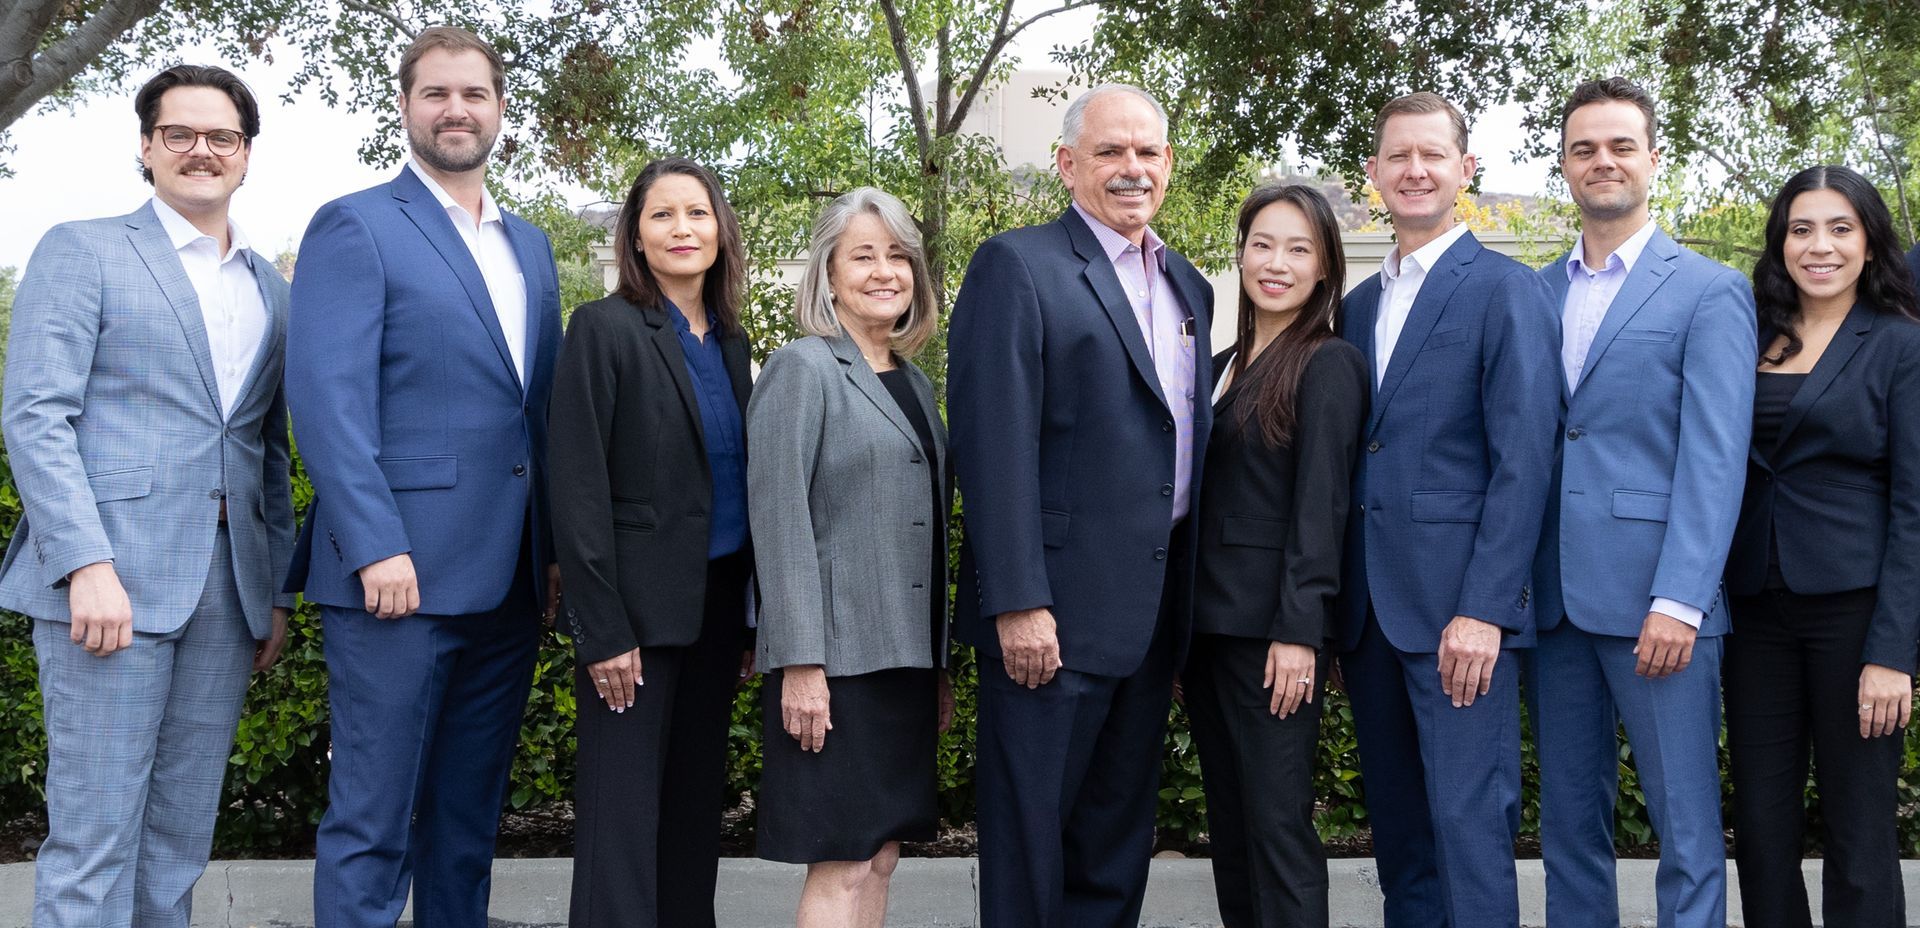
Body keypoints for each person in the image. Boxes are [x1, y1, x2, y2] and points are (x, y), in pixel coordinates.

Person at [0, 64, 293, 928]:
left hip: (226, 591)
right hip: (110, 585)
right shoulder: (83, 249)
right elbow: (37, 416)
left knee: (178, 841)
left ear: (246, 154)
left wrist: (272, 589)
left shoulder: (271, 289)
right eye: (180, 133)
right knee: (94, 841)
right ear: (146, 145)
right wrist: (85, 564)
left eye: (222, 137)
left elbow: (266, 450)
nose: (202, 150)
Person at [284, 26, 563, 928]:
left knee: (466, 824)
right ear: (405, 106)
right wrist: (376, 546)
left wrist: (551, 553)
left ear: (501, 110)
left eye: (474, 94)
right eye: (437, 93)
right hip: (394, 581)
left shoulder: (532, 247)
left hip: (508, 584)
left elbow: (541, 415)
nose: (456, 110)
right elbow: (328, 404)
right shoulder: (355, 223)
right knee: (372, 822)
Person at [948, 82, 1214, 928]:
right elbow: (991, 450)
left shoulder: (1190, 288)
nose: (1132, 168)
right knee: (1031, 849)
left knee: (1113, 850)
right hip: (1050, 622)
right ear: (1068, 164)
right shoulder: (1017, 266)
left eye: (1147, 152)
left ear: (1168, 163)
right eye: (1110, 151)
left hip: (1148, 621)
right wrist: (1019, 602)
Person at [1528, 77, 1756, 928]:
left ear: (1653, 159)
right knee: (1568, 827)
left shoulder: (1707, 289)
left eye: (1621, 144)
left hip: (1660, 604)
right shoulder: (1534, 291)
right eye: (1584, 147)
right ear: (1564, 164)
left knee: (1686, 827)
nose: (1603, 161)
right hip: (1554, 602)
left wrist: (1681, 598)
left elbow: (1715, 455)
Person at [1335, 91, 1560, 928]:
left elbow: (1524, 463)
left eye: (1433, 155)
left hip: (1460, 618)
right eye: (1398, 156)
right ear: (1373, 176)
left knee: (1469, 828)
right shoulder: (1356, 308)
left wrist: (1484, 611)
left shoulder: (1507, 291)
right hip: (1370, 618)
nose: (1415, 170)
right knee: (1401, 837)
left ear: (1466, 170)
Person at [547, 156, 754, 928]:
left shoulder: (731, 341)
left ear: (720, 229)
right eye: (662, 215)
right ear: (635, 234)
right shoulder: (602, 329)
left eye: (696, 213)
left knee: (694, 814)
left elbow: (735, 486)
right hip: (631, 623)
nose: (682, 229)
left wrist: (754, 621)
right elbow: (576, 487)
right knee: (620, 824)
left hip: (715, 614)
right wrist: (602, 631)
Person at [748, 186, 954, 928]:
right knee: (840, 861)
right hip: (835, 663)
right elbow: (778, 521)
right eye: (862, 255)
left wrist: (937, 667)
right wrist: (801, 663)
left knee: (881, 857)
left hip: (903, 662)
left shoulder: (917, 384)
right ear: (828, 274)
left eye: (898, 255)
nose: (884, 271)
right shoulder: (802, 369)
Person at [1724, 164, 1920, 928]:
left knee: (1860, 828)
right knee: (1763, 827)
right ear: (1780, 243)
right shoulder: (1748, 332)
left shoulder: (1902, 344)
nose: (1821, 246)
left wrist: (1895, 651)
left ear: (1869, 243)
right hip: (1754, 610)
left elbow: (1914, 505)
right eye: (1802, 229)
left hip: (1856, 614)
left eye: (1840, 228)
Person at [1187, 183, 1367, 928]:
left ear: (1325, 266)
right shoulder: (1218, 359)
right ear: (1239, 252)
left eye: (1299, 249)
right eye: (1263, 243)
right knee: (1230, 830)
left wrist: (1301, 632)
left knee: (1278, 828)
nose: (1277, 263)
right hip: (1207, 632)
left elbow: (1321, 508)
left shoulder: (1329, 363)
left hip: (1272, 636)